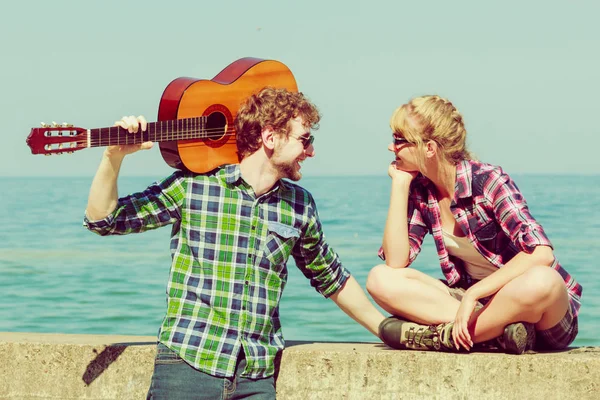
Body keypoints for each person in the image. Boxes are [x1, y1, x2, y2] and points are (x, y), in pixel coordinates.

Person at [83, 87, 385, 399]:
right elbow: (103, 220)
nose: (311, 151)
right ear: (271, 138)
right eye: (304, 140)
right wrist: (113, 156)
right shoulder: (194, 186)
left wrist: (386, 329)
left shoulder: (299, 204)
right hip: (186, 367)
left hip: (255, 377)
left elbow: (330, 276)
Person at [366, 95, 582, 354]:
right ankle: (495, 335)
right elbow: (396, 261)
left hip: (537, 312)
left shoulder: (488, 181)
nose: (392, 147)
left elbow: (542, 253)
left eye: (399, 140)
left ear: (430, 148)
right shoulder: (421, 190)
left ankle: (443, 337)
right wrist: (400, 185)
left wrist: (473, 294)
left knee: (544, 281)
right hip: (477, 305)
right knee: (380, 279)